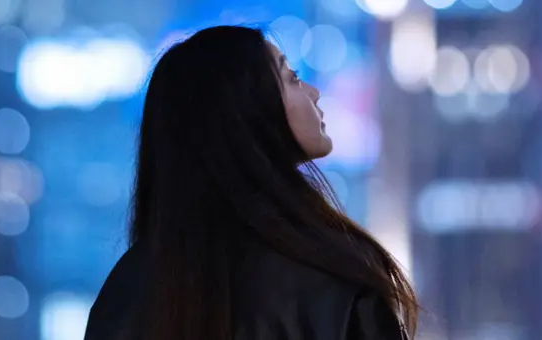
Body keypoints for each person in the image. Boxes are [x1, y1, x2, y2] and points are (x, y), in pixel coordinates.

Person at [85, 25, 418, 340]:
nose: (314, 93)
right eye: (293, 78)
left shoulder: (127, 289)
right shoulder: (334, 269)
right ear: (248, 107)